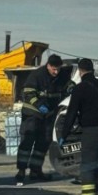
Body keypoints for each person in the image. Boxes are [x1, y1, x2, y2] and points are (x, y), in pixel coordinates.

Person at [59, 58, 98, 195]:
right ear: (92, 70)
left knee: (87, 168)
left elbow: (71, 114)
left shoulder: (80, 88)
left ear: (80, 71)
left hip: (93, 131)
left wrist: (64, 134)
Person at [16, 53, 73, 185]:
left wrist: (71, 88)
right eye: (53, 69)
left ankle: (36, 171)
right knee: (27, 142)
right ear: (48, 66)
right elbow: (27, 93)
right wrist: (39, 105)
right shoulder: (37, 75)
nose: (56, 71)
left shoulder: (62, 76)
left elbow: (68, 85)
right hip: (32, 114)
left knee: (43, 144)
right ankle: (21, 171)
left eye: (58, 69)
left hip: (49, 115)